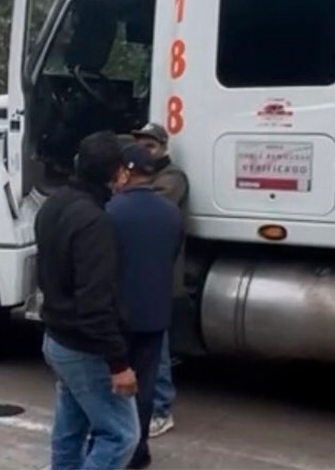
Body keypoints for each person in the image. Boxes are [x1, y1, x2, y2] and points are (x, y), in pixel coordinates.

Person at [37, 131, 138, 470]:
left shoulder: (55, 203)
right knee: (121, 435)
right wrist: (118, 364)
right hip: (84, 348)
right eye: (124, 167)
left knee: (71, 429)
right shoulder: (96, 223)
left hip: (58, 339)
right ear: (115, 174)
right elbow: (95, 303)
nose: (128, 174)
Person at [107, 144, 183, 469]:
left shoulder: (111, 211)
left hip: (120, 316)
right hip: (155, 315)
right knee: (146, 389)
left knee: (114, 389)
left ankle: (120, 449)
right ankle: (140, 451)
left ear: (126, 171)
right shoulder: (170, 212)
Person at [130, 122, 189, 438]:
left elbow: (150, 204)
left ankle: (162, 408)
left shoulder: (173, 179)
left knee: (158, 349)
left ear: (163, 148)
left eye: (150, 145)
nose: (145, 150)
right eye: (140, 145)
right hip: (148, 273)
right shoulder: (154, 178)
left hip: (161, 276)